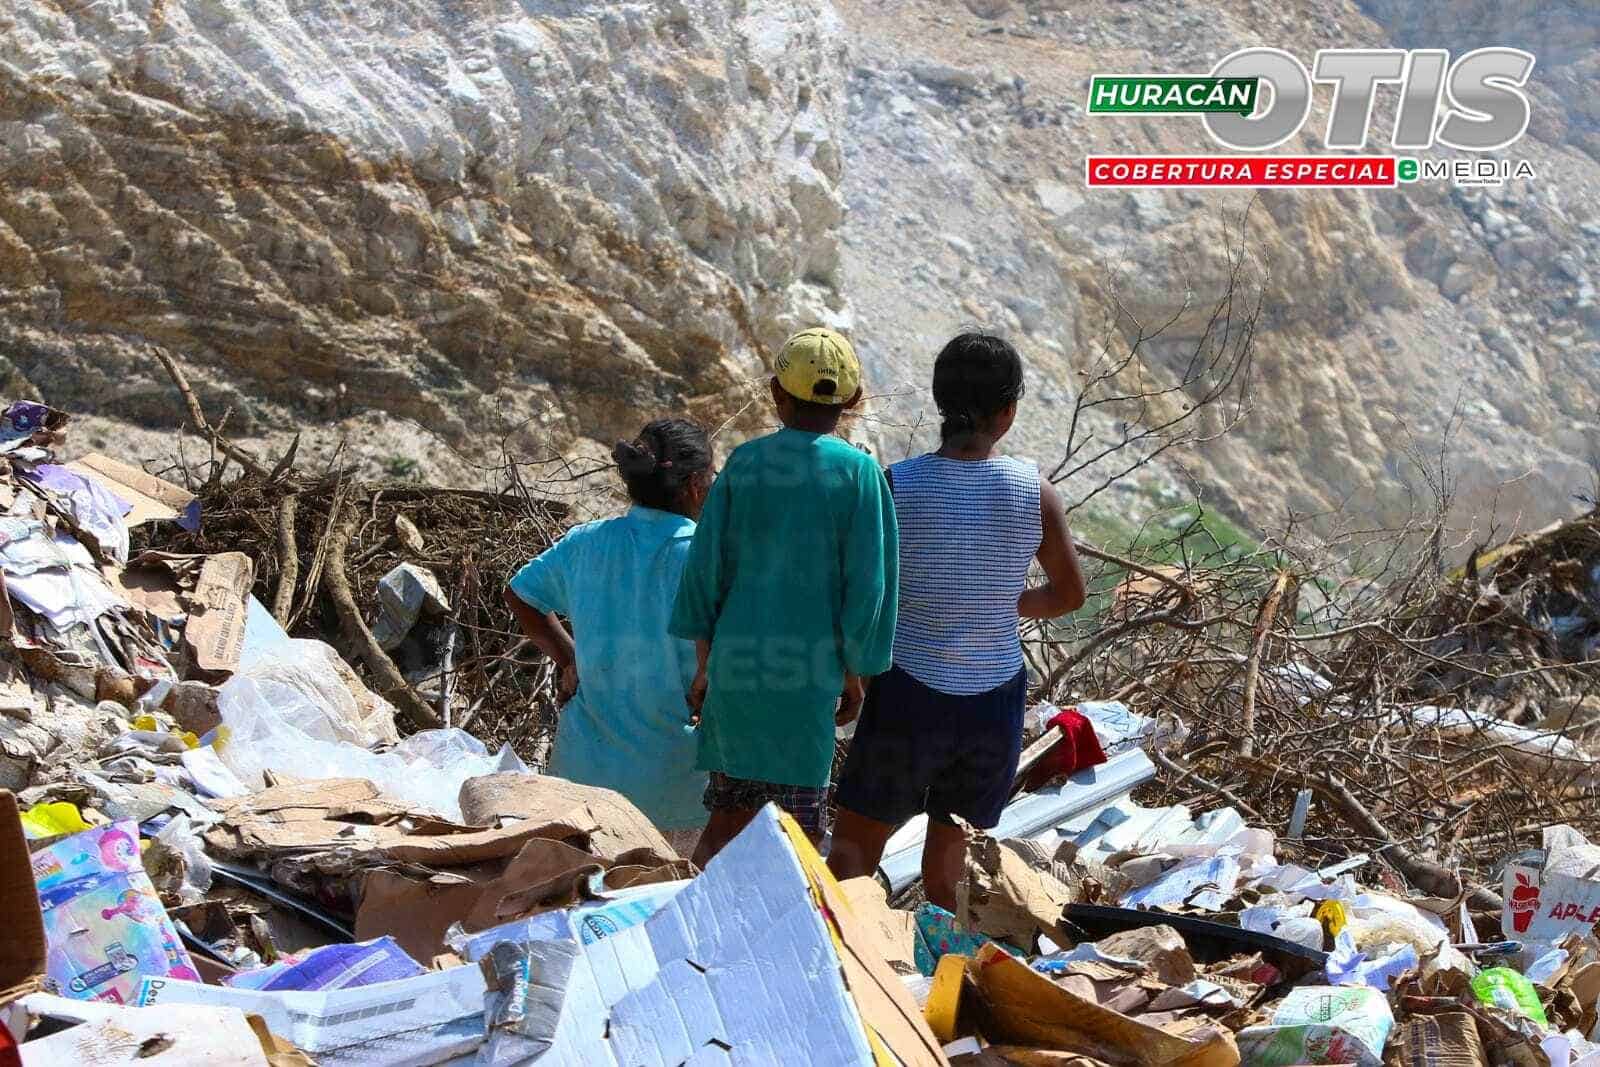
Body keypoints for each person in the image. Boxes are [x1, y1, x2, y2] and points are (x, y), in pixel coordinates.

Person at [826, 331, 1086, 911]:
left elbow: (865, 594)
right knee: (948, 871)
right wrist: (999, 602)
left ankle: (848, 965)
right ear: (1009, 412)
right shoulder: (1034, 492)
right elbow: (1070, 594)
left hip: (906, 692)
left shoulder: (897, 485)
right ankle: (936, 978)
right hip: (991, 704)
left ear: (940, 402)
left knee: (852, 851)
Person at [669, 327, 898, 867]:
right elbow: (868, 589)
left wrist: (705, 667)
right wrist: (856, 674)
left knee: (725, 822)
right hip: (808, 682)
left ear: (775, 392)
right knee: (793, 836)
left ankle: (691, 929)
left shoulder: (745, 464)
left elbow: (705, 573)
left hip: (737, 673)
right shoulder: (860, 474)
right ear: (854, 401)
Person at [504, 418, 714, 855]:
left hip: (582, 780)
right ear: (695, 484)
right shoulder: (706, 556)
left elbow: (521, 595)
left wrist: (567, 657)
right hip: (674, 786)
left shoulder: (587, 543)